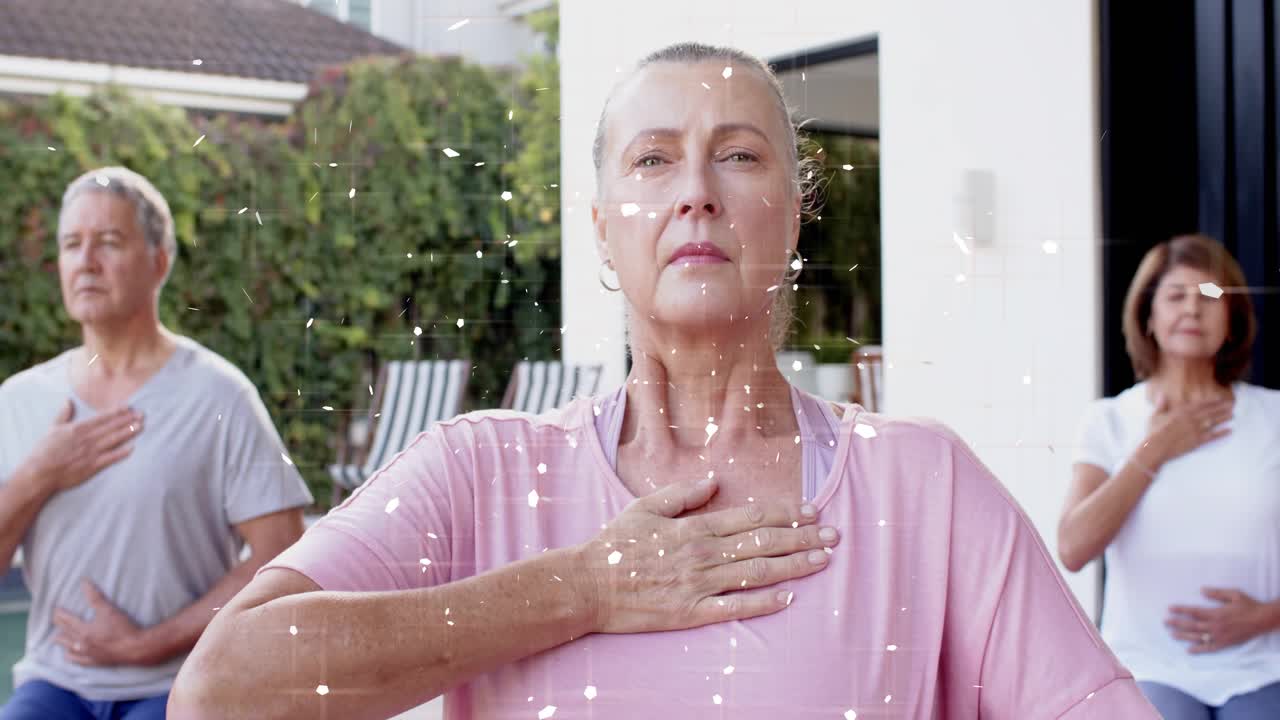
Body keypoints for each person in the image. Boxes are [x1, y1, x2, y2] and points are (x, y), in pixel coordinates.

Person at [170, 43, 1158, 719]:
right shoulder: (479, 470)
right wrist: (583, 588)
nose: (694, 190)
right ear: (601, 227)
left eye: (736, 154)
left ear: (791, 211)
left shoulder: (921, 485)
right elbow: (222, 687)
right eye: (651, 161)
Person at [0, 167, 314, 719]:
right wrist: (39, 474)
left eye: (110, 242)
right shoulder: (20, 400)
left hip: (181, 682)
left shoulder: (219, 393)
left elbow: (283, 552)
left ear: (159, 262)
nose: (86, 261)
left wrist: (147, 644)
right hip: (55, 683)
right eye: (72, 244)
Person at [1059, 233, 1280, 718]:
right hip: (1147, 668)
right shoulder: (1109, 421)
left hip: (1265, 666)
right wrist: (1154, 449)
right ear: (1148, 316)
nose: (1192, 309)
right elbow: (1074, 547)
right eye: (1176, 295)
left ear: (1232, 318)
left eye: (1209, 296)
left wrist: (1267, 616)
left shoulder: (1274, 417)